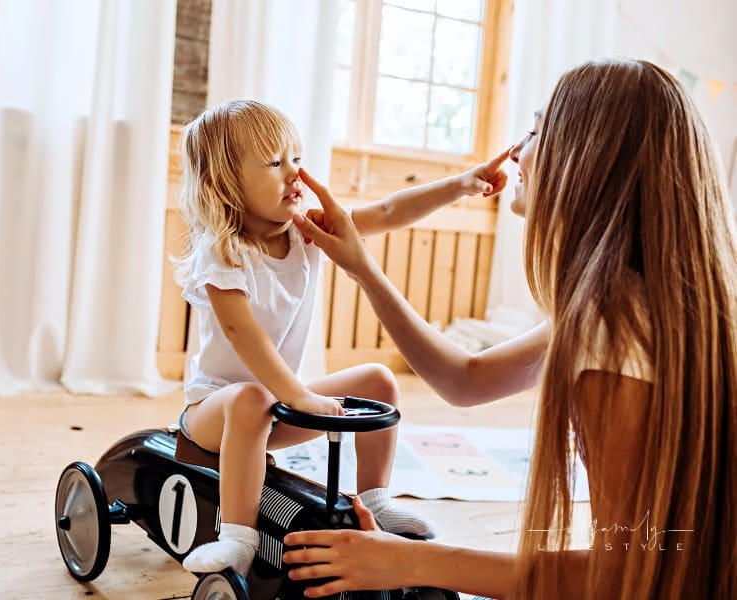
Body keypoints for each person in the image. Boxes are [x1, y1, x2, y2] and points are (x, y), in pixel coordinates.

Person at [283, 59, 736, 599]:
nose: (518, 152)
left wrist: (407, 561)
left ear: (588, 158)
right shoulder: (641, 301)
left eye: (538, 130)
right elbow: (466, 380)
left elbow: (625, 576)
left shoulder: (614, 331)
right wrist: (363, 268)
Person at [175, 99, 510, 577]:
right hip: (216, 413)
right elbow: (245, 337)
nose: (294, 173)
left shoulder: (305, 230)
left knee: (377, 380)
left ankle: (377, 498)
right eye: (275, 163)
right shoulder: (223, 252)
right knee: (249, 398)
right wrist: (300, 396)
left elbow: (390, 211)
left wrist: (460, 184)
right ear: (225, 182)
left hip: (278, 407)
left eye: (296, 157)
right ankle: (237, 538)